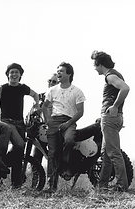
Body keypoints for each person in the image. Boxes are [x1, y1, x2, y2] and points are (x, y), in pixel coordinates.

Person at [0, 63, 40, 189]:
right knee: (20, 144)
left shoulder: (22, 88)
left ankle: (16, 184)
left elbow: (35, 95)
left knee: (18, 154)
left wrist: (37, 106)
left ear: (20, 75)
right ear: (7, 74)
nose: (14, 74)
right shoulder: (2, 88)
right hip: (6, 123)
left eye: (16, 72)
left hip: (20, 124)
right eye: (11, 72)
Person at [42, 62, 85, 193]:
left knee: (69, 141)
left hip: (69, 121)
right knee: (52, 153)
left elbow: (80, 112)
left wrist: (69, 123)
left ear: (69, 74)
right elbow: (44, 106)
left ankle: (65, 164)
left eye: (61, 71)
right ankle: (51, 186)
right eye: (58, 71)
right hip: (54, 121)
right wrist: (48, 121)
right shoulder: (52, 90)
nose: (58, 73)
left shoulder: (77, 91)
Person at [91, 50, 130, 192]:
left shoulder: (110, 76)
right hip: (112, 118)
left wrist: (114, 106)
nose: (94, 68)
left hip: (111, 118)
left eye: (95, 65)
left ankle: (121, 186)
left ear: (99, 64)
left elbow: (125, 88)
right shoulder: (113, 74)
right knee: (106, 154)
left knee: (113, 152)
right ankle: (102, 186)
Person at [32, 73, 59, 167]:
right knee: (36, 159)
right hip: (42, 131)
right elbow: (33, 112)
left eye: (54, 82)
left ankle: (52, 181)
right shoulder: (40, 96)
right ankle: (35, 180)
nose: (51, 83)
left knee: (55, 160)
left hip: (56, 131)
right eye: (50, 81)